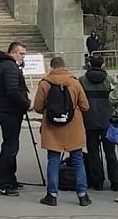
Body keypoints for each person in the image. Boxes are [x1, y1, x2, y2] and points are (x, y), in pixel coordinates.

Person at [33, 57, 91, 206]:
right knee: (78, 161)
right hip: (73, 127)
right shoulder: (75, 82)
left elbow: (38, 107)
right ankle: (83, 196)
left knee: (53, 160)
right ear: (65, 66)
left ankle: (51, 195)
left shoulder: (45, 84)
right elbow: (85, 106)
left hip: (52, 128)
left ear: (51, 67)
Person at [0, 42, 31, 197]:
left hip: (6, 110)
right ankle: (3, 183)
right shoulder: (9, 67)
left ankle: (10, 179)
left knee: (11, 144)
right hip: (9, 111)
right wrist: (26, 104)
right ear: (13, 53)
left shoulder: (5, 66)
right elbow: (13, 91)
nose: (23, 57)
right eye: (21, 53)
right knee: (10, 147)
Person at [80, 55, 118, 191]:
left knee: (93, 151)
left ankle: (97, 182)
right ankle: (115, 181)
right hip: (106, 119)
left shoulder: (83, 80)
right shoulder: (109, 80)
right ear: (103, 65)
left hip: (89, 119)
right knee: (110, 152)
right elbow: (114, 99)